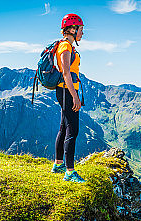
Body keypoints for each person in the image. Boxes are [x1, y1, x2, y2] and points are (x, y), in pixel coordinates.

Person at [51, 13, 85, 183]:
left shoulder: (67, 46)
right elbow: (65, 73)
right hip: (67, 91)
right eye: (81, 29)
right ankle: (70, 173)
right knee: (73, 130)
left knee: (64, 128)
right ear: (72, 29)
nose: (82, 33)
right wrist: (75, 97)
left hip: (65, 91)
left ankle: (58, 165)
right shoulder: (65, 47)